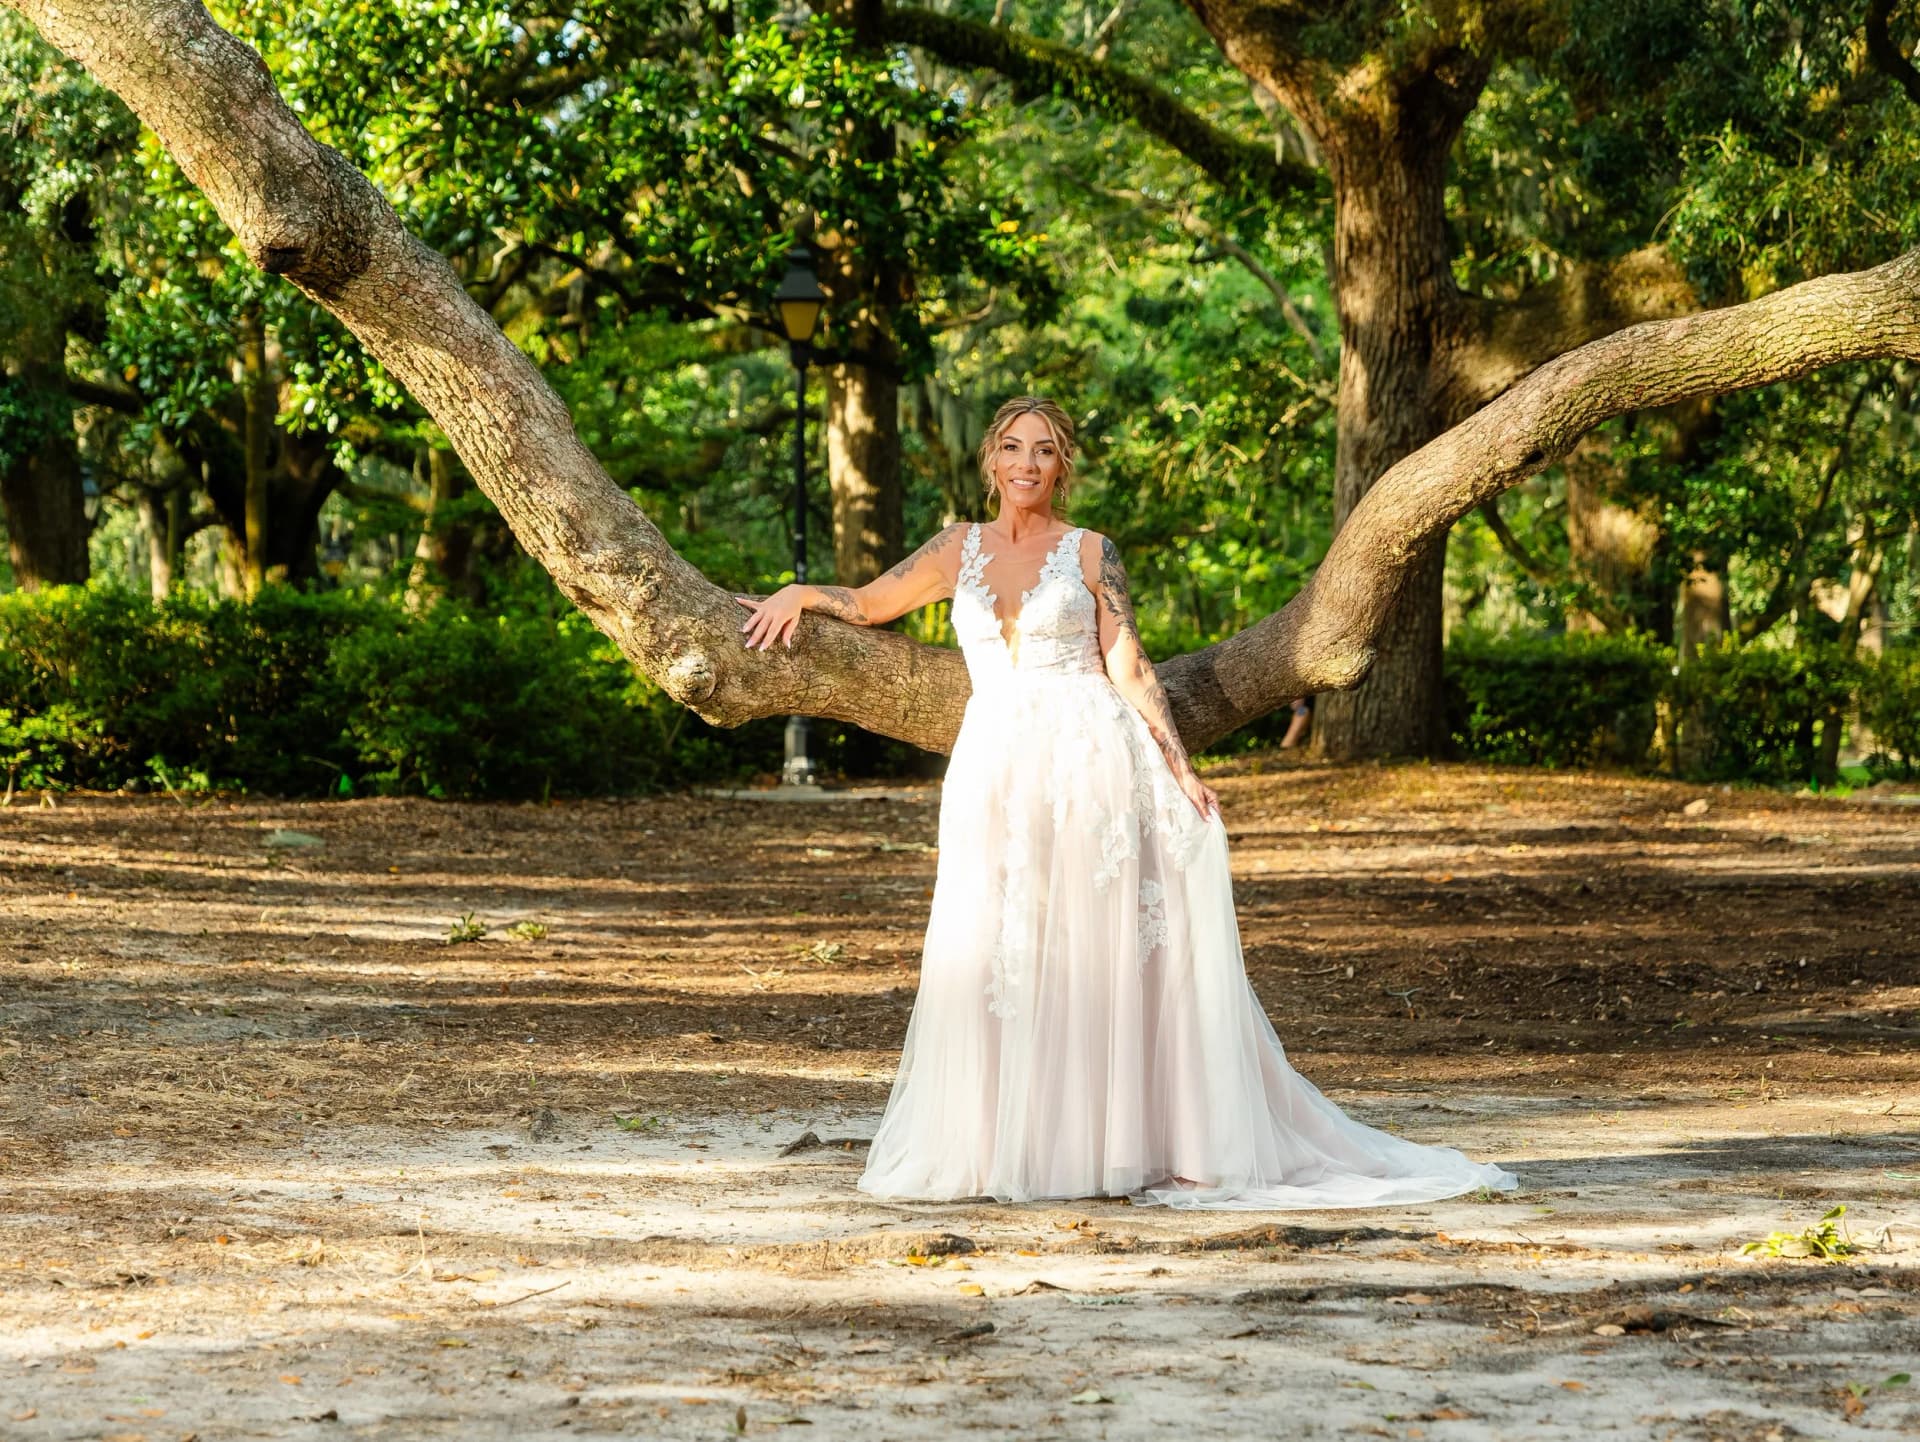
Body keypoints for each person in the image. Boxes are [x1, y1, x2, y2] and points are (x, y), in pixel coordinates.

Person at [736, 396, 1514, 1208]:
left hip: (1089, 759)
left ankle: (1120, 1141)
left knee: (1088, 945)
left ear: (1061, 465)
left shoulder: (1090, 551)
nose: (1027, 463)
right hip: (994, 762)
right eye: (1013, 447)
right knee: (998, 944)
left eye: (1044, 450)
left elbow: (1130, 664)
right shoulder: (954, 548)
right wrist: (799, 593)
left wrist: (1179, 767)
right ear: (991, 460)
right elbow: (869, 603)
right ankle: (1009, 1142)